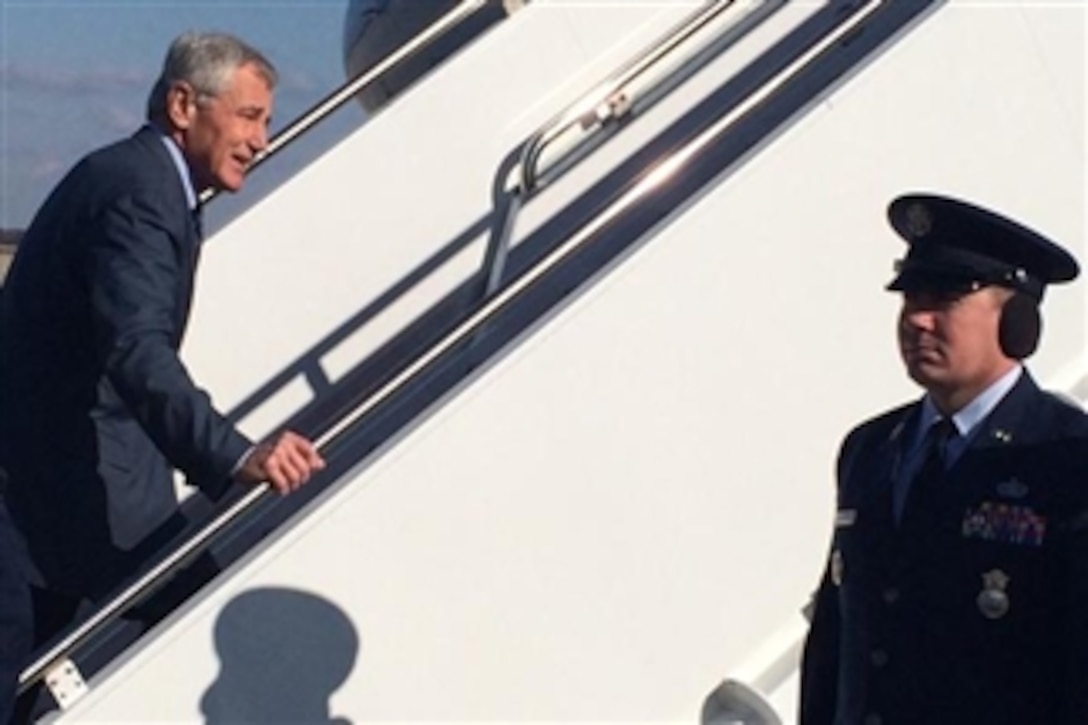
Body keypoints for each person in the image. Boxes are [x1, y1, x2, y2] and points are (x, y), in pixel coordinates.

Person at [0, 31, 326, 661]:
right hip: (51, 489)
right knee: (188, 631)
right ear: (184, 106)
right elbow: (137, 350)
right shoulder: (141, 192)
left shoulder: (145, 182)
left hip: (66, 489)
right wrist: (235, 456)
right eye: (249, 116)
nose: (261, 141)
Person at [799, 192, 1088, 724]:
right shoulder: (870, 450)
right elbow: (836, 646)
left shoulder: (1067, 459)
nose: (918, 321)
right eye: (910, 300)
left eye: (944, 300)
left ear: (1016, 319)